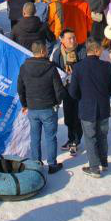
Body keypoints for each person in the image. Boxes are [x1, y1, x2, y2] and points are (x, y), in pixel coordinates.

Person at [69, 38, 111, 177]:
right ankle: (104, 162)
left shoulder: (78, 67)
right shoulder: (106, 66)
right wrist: (104, 95)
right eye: (101, 49)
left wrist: (82, 98)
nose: (102, 51)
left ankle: (94, 168)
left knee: (91, 138)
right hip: (103, 107)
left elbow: (73, 91)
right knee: (102, 136)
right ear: (96, 50)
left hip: (86, 108)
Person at [18, 40, 66, 174]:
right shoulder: (50, 68)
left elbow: (20, 88)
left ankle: (35, 163)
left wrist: (24, 104)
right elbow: (59, 89)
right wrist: (57, 102)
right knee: (51, 137)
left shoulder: (24, 67)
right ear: (42, 51)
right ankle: (52, 164)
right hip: (48, 108)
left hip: (32, 109)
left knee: (35, 136)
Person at [51, 29, 84, 153]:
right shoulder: (58, 53)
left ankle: (75, 140)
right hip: (65, 89)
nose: (73, 40)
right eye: (69, 38)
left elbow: (85, 67)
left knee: (77, 116)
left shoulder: (81, 50)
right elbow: (54, 70)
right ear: (62, 39)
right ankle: (71, 138)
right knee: (69, 116)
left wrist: (74, 73)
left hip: (79, 89)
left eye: (74, 37)